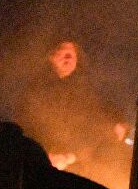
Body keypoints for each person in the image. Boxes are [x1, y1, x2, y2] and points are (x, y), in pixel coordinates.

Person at [15, 38, 127, 175]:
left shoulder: (82, 90)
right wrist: (47, 155)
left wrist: (116, 123)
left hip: (76, 168)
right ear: (51, 57)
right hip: (41, 168)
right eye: (63, 52)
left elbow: (97, 120)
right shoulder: (35, 89)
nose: (69, 57)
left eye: (73, 54)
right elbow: (25, 127)